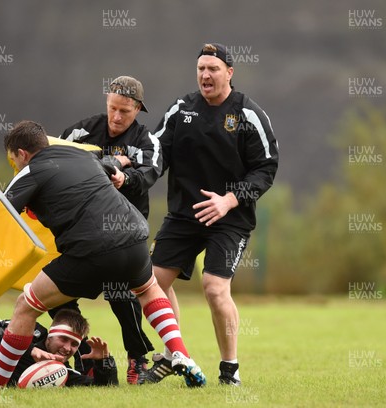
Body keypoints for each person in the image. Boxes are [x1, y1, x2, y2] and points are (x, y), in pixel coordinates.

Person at [0, 120, 206, 388]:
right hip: (133, 236)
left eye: (14, 160)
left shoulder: (30, 170)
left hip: (91, 250)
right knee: (149, 290)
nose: (15, 166)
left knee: (26, 306)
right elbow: (109, 165)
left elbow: (2, 217)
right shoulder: (81, 154)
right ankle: (180, 353)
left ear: (21, 154)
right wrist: (121, 161)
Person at [145, 43, 279, 386]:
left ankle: (229, 369)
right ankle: (179, 355)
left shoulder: (248, 115)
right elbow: (156, 153)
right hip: (184, 216)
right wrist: (131, 174)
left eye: (214, 69)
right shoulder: (181, 109)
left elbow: (265, 169)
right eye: (201, 68)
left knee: (215, 288)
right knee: (148, 283)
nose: (206, 75)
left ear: (229, 73)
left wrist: (229, 200)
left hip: (229, 219)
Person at [57, 75, 161, 384]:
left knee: (121, 295)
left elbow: (149, 173)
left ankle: (137, 360)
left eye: (125, 111)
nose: (116, 117)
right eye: (112, 108)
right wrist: (110, 160)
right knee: (60, 292)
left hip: (124, 232)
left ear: (138, 109)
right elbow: (59, 158)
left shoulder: (147, 140)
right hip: (82, 229)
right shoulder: (82, 130)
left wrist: (124, 177)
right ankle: (79, 356)